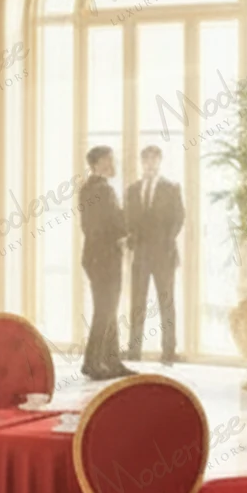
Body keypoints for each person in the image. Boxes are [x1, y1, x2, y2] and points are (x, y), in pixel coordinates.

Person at [125, 143, 184, 365]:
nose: (149, 164)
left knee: (166, 303)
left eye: (154, 159)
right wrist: (131, 241)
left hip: (164, 254)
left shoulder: (171, 188)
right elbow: (128, 220)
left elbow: (179, 218)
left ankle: (169, 351)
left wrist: (166, 242)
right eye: (146, 159)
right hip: (140, 255)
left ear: (159, 162)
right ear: (142, 162)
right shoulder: (132, 190)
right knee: (137, 304)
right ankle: (134, 352)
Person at [78, 145, 132, 381]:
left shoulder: (89, 188)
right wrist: (125, 232)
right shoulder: (103, 190)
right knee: (105, 310)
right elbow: (112, 223)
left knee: (108, 308)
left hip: (94, 256)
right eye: (109, 161)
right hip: (105, 256)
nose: (114, 165)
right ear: (98, 164)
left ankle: (111, 360)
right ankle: (92, 362)